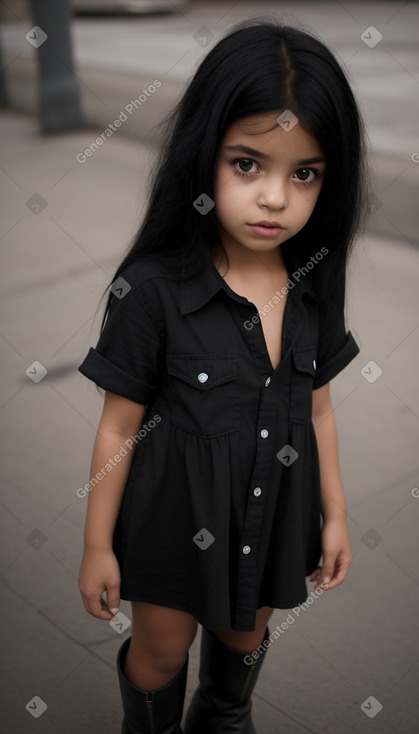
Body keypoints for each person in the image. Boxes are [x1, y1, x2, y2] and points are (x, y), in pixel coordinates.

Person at [77, 16, 370, 734]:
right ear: (203, 156)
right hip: (172, 524)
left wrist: (334, 513)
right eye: (248, 164)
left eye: (303, 174)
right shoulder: (151, 290)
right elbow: (119, 424)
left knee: (244, 639)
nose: (275, 197)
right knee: (161, 648)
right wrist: (95, 544)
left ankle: (225, 719)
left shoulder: (311, 281)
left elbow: (320, 409)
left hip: (274, 516)